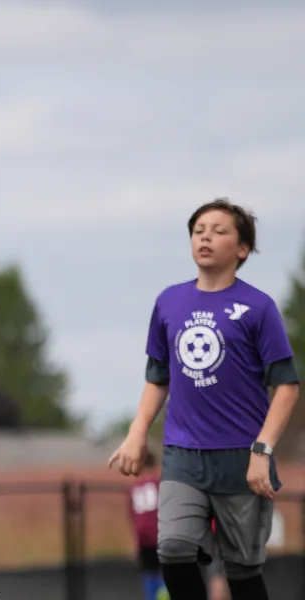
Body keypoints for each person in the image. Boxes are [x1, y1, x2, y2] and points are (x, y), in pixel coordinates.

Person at [109, 198, 299, 600]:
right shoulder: (169, 302)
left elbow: (286, 385)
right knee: (174, 550)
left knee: (242, 570)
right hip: (182, 455)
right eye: (198, 231)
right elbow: (157, 376)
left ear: (242, 248)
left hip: (241, 458)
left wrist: (262, 451)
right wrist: (136, 433)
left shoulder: (259, 307)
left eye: (218, 230)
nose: (205, 237)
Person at [129, 449, 166, 600]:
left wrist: (135, 544)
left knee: (149, 576)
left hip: (144, 540)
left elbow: (134, 519)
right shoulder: (161, 485)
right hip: (162, 536)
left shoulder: (134, 488)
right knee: (167, 576)